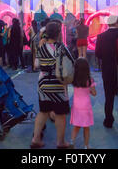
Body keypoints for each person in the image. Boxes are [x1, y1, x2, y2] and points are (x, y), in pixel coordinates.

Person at [31, 21, 74, 149]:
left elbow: (36, 65)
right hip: (58, 84)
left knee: (43, 112)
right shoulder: (61, 48)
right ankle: (60, 142)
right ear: (59, 33)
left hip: (43, 83)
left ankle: (35, 139)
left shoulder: (41, 48)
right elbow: (71, 62)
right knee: (60, 114)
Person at [95, 15, 118, 129]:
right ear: (117, 23)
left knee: (109, 95)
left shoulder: (101, 36)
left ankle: (108, 120)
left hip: (108, 70)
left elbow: (98, 54)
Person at [70, 58, 97, 149]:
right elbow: (94, 93)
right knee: (86, 127)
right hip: (86, 107)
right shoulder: (90, 80)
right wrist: (89, 90)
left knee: (76, 126)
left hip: (76, 106)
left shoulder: (74, 79)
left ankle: (72, 142)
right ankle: (86, 146)